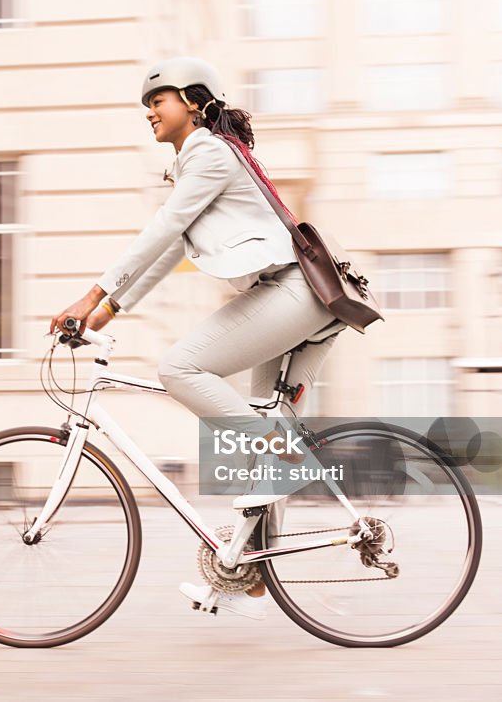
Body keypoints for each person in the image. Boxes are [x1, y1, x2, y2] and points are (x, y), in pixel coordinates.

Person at [49, 57, 344, 619]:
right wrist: (111, 307)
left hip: (291, 293)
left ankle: (283, 461)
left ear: (190, 99)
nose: (149, 114)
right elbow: (173, 243)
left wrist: (89, 297)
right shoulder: (202, 161)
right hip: (295, 298)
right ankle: (250, 566)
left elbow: (161, 227)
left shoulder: (208, 151)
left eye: (156, 102)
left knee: (180, 368)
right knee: (261, 422)